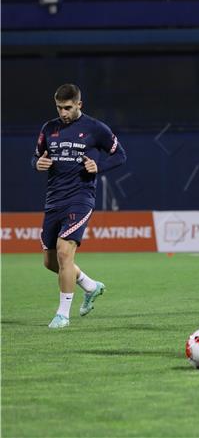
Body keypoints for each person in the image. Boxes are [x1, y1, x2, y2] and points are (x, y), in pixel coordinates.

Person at [33, 83, 127, 328]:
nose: (63, 113)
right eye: (59, 108)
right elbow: (37, 155)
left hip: (81, 197)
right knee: (50, 262)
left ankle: (63, 315)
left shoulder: (96, 128)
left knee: (65, 252)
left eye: (67, 108)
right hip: (54, 200)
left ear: (79, 105)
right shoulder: (49, 128)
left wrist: (99, 167)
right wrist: (37, 163)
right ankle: (89, 285)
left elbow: (120, 155)